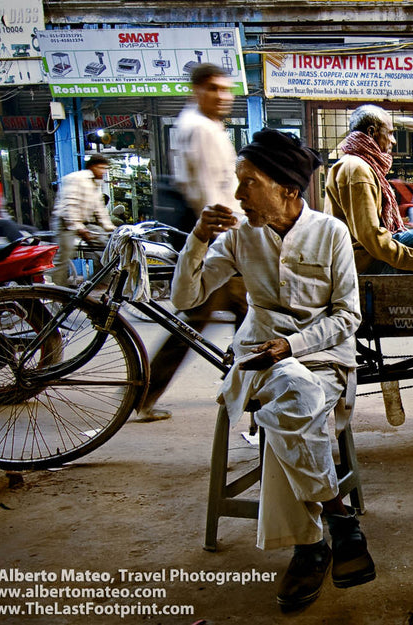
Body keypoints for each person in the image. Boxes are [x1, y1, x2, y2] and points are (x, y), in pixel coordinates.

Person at [171, 129, 374, 612]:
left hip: (323, 359)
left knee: (292, 402)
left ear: (288, 189)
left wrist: (294, 344)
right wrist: (198, 238)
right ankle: (336, 518)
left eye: (249, 183)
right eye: (237, 183)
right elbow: (185, 298)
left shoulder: (330, 233)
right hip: (260, 359)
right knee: (292, 395)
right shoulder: (240, 236)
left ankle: (315, 543)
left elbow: (348, 316)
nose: (238, 196)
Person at [137, 63, 248, 422]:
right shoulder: (200, 129)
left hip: (220, 241)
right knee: (203, 321)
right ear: (198, 90)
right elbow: (209, 195)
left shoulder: (200, 125)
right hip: (220, 242)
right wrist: (232, 241)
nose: (223, 97)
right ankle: (246, 390)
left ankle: (242, 385)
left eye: (227, 90)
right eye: (215, 89)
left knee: (232, 317)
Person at [325, 104, 413, 274]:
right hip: (364, 261)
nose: (394, 140)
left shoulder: (358, 165)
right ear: (371, 132)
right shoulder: (356, 169)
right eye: (389, 133)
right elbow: (370, 236)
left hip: (366, 255)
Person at [50, 155, 114, 287]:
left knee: (105, 249)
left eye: (105, 169)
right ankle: (57, 289)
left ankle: (94, 284)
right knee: (64, 255)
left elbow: (99, 208)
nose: (103, 171)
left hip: (85, 223)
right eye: (100, 168)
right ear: (92, 167)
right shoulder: (77, 179)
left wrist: (110, 228)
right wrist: (78, 228)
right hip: (65, 222)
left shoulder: (96, 183)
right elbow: (70, 205)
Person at [0, 158, 32, 243]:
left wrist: (10, 222)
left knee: (28, 229)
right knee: (7, 224)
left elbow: (1, 209)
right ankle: (23, 246)